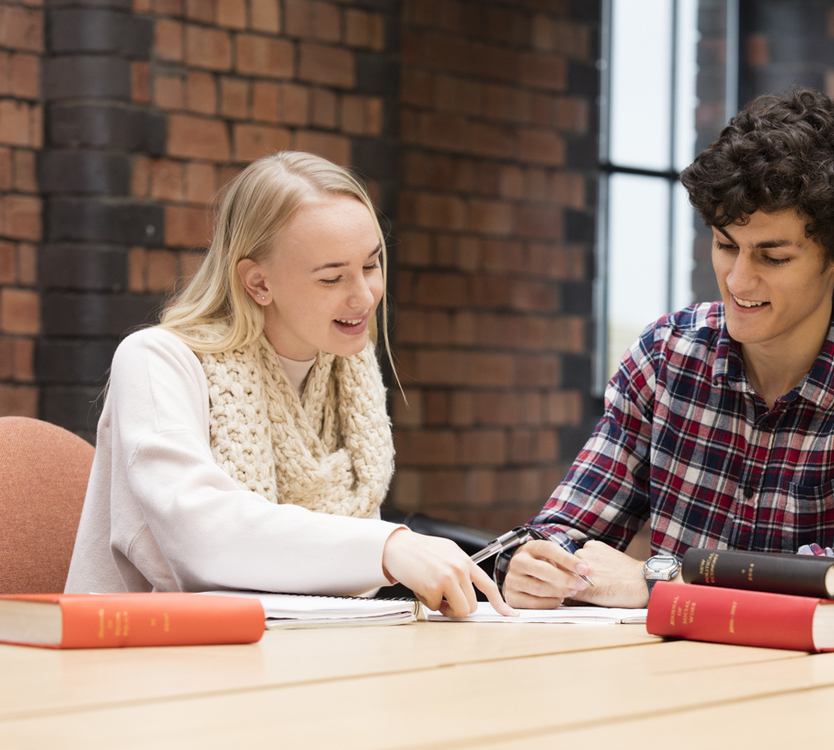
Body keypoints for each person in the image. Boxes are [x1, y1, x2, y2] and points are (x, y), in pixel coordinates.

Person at [500, 89, 834, 609]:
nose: (738, 280)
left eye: (773, 257)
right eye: (725, 245)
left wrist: (659, 580)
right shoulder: (664, 357)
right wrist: (537, 563)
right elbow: (564, 534)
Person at [65, 151, 513, 618]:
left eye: (372, 265)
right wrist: (386, 548)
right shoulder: (158, 361)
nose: (363, 296)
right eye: (333, 277)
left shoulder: (347, 368)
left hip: (300, 650)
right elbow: (201, 537)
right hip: (143, 657)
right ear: (258, 283)